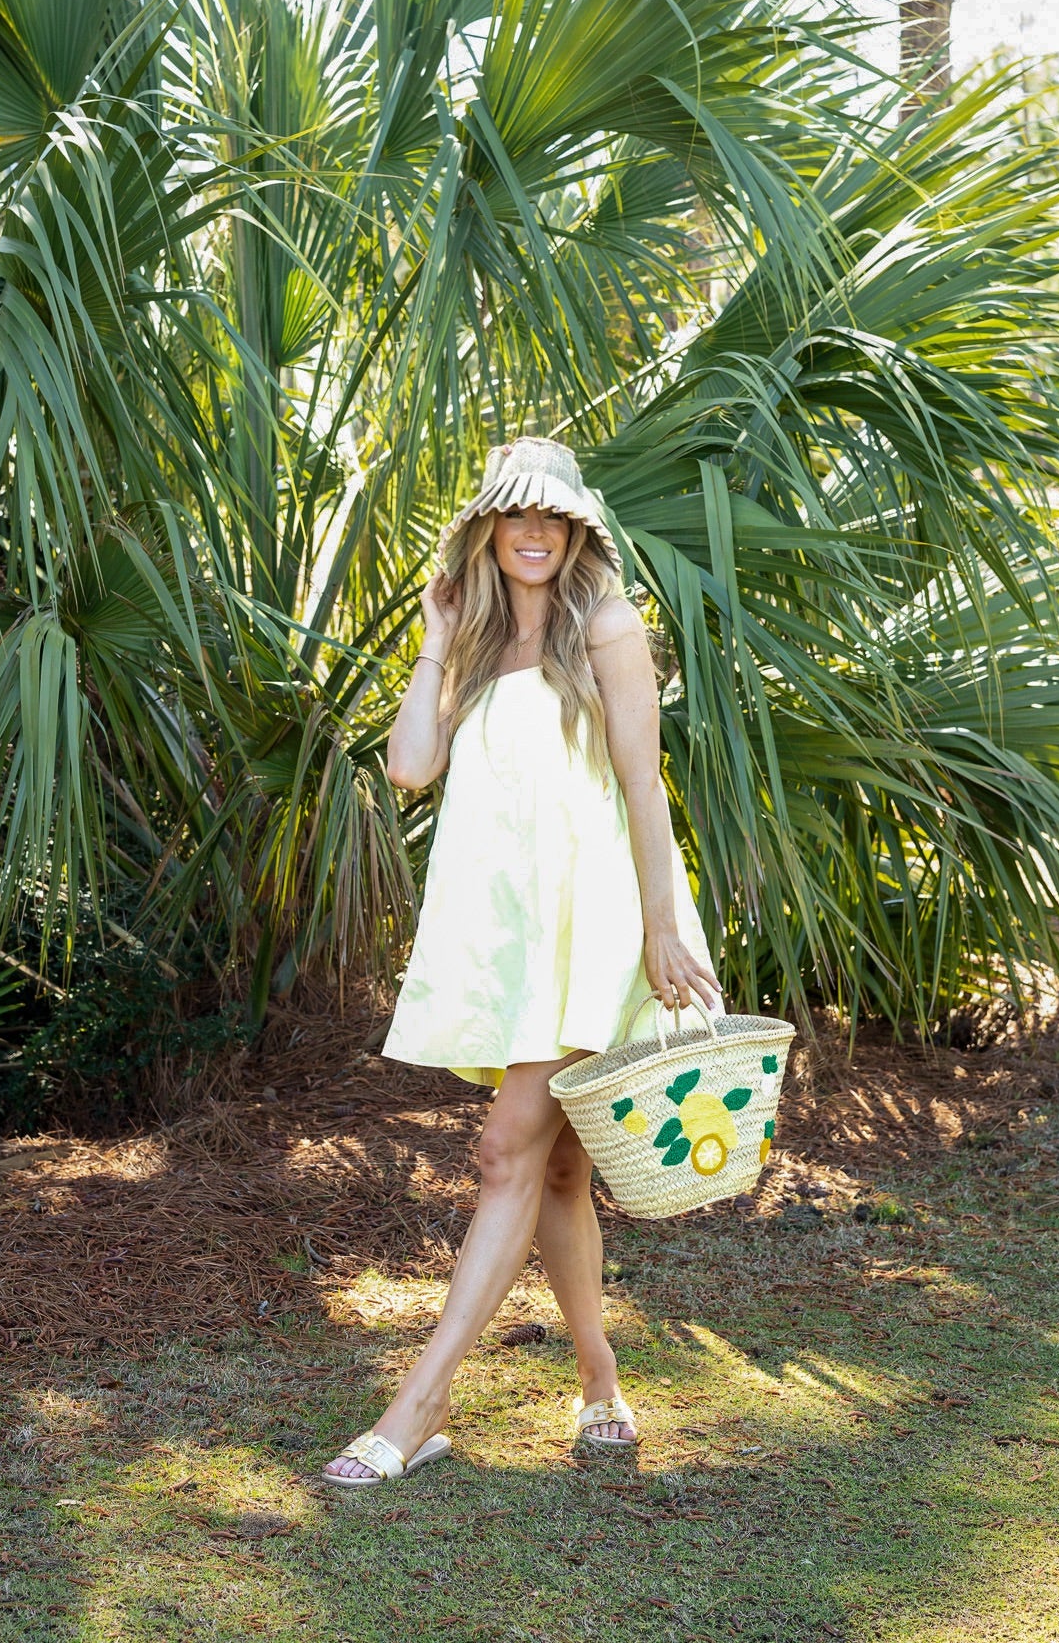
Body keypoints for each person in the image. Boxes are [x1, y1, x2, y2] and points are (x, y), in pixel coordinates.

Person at [323, 436, 723, 1489]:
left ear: (579, 530)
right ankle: (600, 1379)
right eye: (516, 517)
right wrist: (434, 638)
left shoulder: (609, 626)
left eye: (554, 519)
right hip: (515, 935)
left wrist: (662, 928)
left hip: (601, 925)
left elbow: (643, 789)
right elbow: (410, 766)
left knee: (508, 1148)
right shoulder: (476, 640)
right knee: (554, 1165)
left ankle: (421, 1405)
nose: (536, 534)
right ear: (490, 531)